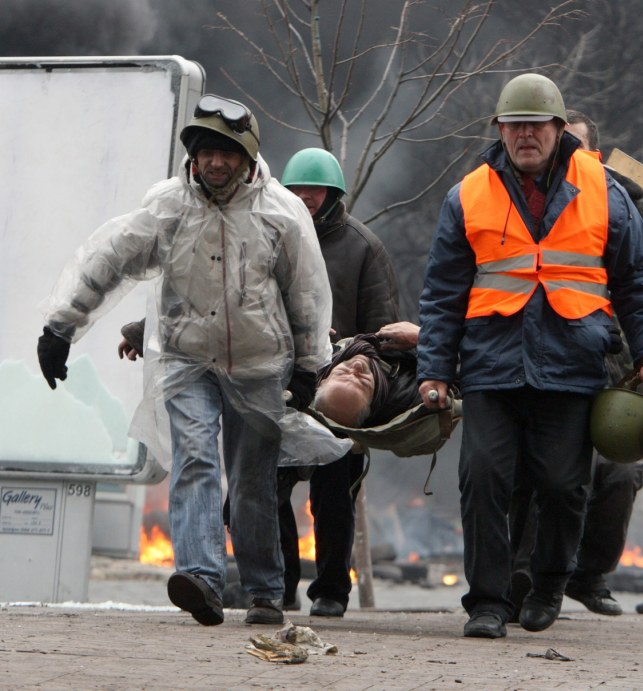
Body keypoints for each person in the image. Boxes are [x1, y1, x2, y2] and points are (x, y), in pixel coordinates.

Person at [37, 94, 333, 627]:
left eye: (227, 152)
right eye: (206, 152)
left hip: (259, 364)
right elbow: (110, 259)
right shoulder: (168, 207)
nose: (215, 162)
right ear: (192, 156)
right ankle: (202, 578)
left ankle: (265, 591)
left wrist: (310, 365)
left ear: (247, 156)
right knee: (195, 459)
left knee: (252, 480)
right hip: (188, 360)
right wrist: (62, 326)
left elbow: (306, 293)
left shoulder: (280, 212)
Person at [416, 73, 643, 639]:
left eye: (535, 125)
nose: (525, 135)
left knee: (563, 485)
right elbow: (442, 292)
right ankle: (488, 602)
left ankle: (549, 583)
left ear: (559, 129)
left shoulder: (604, 191)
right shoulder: (467, 195)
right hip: (491, 365)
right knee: (483, 479)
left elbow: (639, 279)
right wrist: (434, 369)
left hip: (571, 363)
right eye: (514, 126)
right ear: (499, 130)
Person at [509, 109, 643, 618]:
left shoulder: (624, 202)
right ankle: (523, 577)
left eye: (575, 146)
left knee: (619, 474)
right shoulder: (519, 197)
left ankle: (589, 573)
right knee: (538, 469)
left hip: (618, 369)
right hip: (547, 361)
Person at [276, 148, 401, 617]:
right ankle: (277, 587)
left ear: (333, 194)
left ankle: (331, 591)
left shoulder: (364, 247)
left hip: (339, 391)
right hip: (280, 386)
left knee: (332, 497)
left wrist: (343, 348)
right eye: (296, 189)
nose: (305, 197)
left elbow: (384, 333)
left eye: (315, 189)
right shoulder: (271, 237)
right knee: (266, 488)